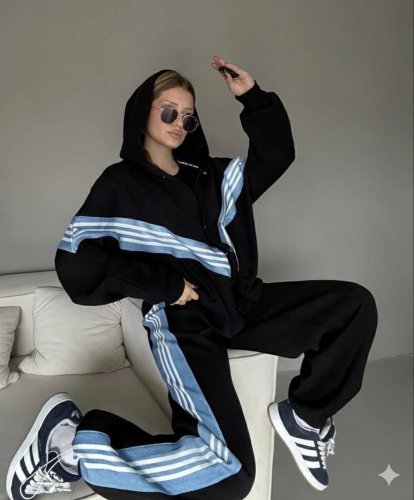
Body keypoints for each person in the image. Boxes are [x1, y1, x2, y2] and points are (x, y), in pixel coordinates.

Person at [6, 55, 378, 499]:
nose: (179, 124)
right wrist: (165, 286)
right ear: (142, 112)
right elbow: (75, 259)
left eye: (187, 117)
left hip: (237, 304)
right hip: (183, 320)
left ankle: (305, 416)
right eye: (168, 111)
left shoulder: (212, 177)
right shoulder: (121, 184)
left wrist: (252, 97)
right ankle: (71, 445)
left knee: (353, 306)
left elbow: (278, 155)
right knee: (233, 476)